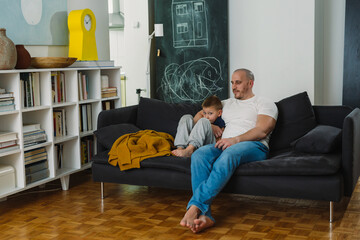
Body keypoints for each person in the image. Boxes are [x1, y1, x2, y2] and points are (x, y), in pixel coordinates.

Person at [179, 68, 278, 233]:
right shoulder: (226, 103)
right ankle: (205, 216)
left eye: (238, 82)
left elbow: (262, 130)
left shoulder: (264, 102)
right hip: (226, 143)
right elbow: (197, 116)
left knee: (228, 154)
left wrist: (235, 140)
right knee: (199, 154)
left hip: (254, 145)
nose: (234, 86)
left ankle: (195, 206)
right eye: (232, 82)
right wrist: (210, 124)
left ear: (250, 83)